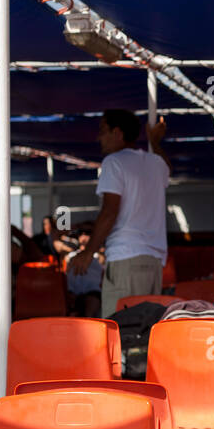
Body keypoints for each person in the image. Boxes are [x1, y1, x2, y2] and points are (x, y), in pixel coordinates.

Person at [68, 110, 169, 318]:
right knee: (146, 329)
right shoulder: (156, 163)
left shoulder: (113, 162)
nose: (99, 137)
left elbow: (109, 211)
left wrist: (88, 253)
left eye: (103, 131)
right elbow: (167, 167)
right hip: (154, 261)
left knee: (120, 331)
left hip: (126, 258)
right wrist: (155, 142)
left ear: (118, 133)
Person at [65, 225, 103, 317]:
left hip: (93, 292)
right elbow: (56, 239)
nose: (83, 236)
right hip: (72, 293)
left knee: (88, 314)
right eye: (81, 233)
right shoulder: (70, 255)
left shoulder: (100, 256)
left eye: (87, 233)